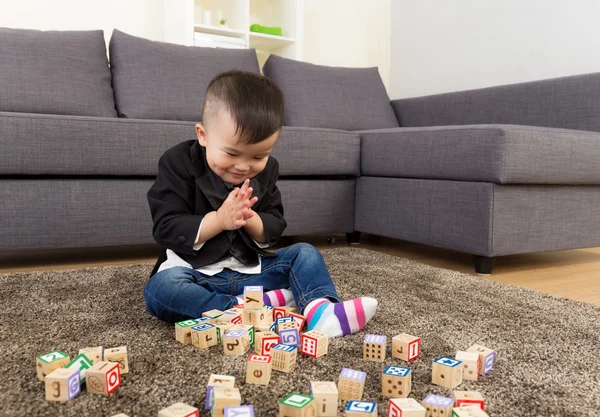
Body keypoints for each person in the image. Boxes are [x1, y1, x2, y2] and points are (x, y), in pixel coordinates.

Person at [144, 70, 377, 337]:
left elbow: (275, 222)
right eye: (231, 153)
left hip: (252, 270)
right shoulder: (177, 162)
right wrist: (219, 220)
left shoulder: (267, 171)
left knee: (305, 253)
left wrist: (252, 220)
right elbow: (165, 226)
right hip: (195, 272)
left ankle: (319, 310)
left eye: (259, 155)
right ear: (203, 135)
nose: (243, 166)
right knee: (161, 289)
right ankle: (246, 309)